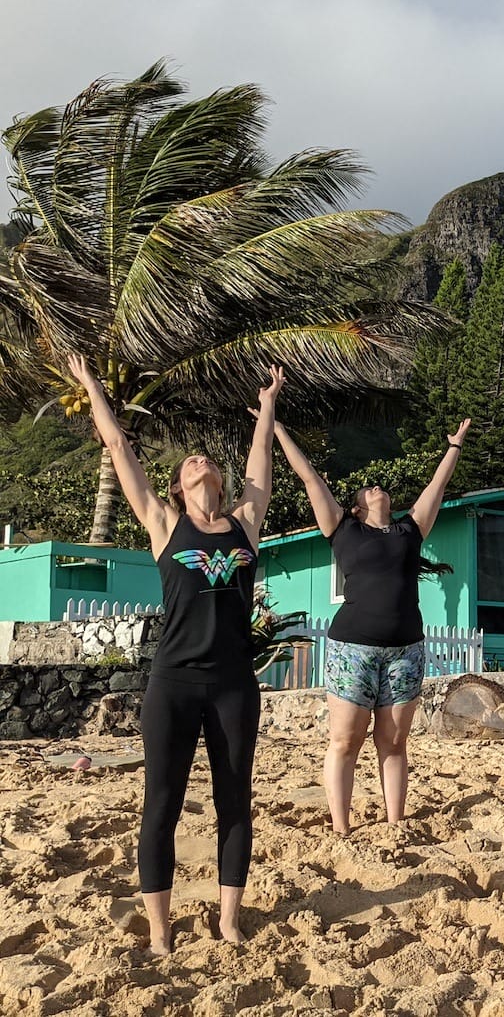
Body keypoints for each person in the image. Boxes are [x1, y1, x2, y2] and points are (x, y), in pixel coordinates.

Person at [67, 354, 284, 954]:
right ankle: (160, 932)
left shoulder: (245, 523)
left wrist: (266, 409)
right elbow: (118, 450)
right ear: (179, 487)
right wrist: (91, 385)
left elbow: (259, 469)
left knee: (234, 799)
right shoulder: (164, 523)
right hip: (175, 683)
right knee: (161, 801)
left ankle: (228, 920)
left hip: (235, 683)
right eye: (190, 463)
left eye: (205, 459)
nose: (200, 461)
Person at [266, 416, 471, 835]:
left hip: (406, 649)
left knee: (394, 742)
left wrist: (453, 447)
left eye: (381, 486)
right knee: (346, 741)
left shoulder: (410, 530)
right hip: (352, 648)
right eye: (368, 488)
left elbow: (436, 489)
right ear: (357, 507)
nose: (378, 487)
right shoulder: (343, 529)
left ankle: (396, 823)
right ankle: (341, 827)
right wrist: (277, 428)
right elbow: (308, 477)